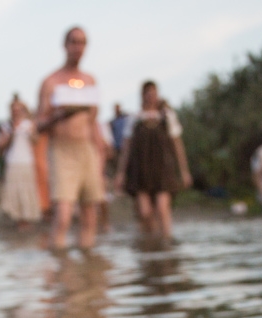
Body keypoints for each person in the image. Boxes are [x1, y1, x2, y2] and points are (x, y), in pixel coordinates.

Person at [37, 26, 106, 250]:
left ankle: (87, 278)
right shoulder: (51, 81)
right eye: (74, 41)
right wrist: (58, 114)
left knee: (90, 215)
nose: (78, 47)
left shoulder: (90, 81)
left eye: (82, 42)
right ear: (65, 45)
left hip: (86, 149)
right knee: (64, 216)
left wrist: (101, 154)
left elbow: (93, 122)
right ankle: (59, 272)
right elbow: (38, 124)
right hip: (61, 149)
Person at [116, 80, 191, 241]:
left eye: (154, 93)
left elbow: (178, 145)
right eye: (147, 93)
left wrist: (184, 171)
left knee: (162, 209)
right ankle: (150, 246)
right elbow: (126, 149)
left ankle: (166, 244)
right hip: (141, 170)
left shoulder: (167, 116)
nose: (151, 97)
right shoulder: (134, 118)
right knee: (145, 213)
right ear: (142, 96)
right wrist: (121, 173)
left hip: (163, 169)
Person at [0, 95, 40, 229]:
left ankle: (27, 219)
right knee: (14, 191)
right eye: (13, 109)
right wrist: (11, 135)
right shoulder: (6, 126)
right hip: (12, 161)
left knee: (26, 190)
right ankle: (17, 219)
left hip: (26, 161)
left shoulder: (29, 124)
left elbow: (35, 141)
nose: (16, 112)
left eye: (18, 109)